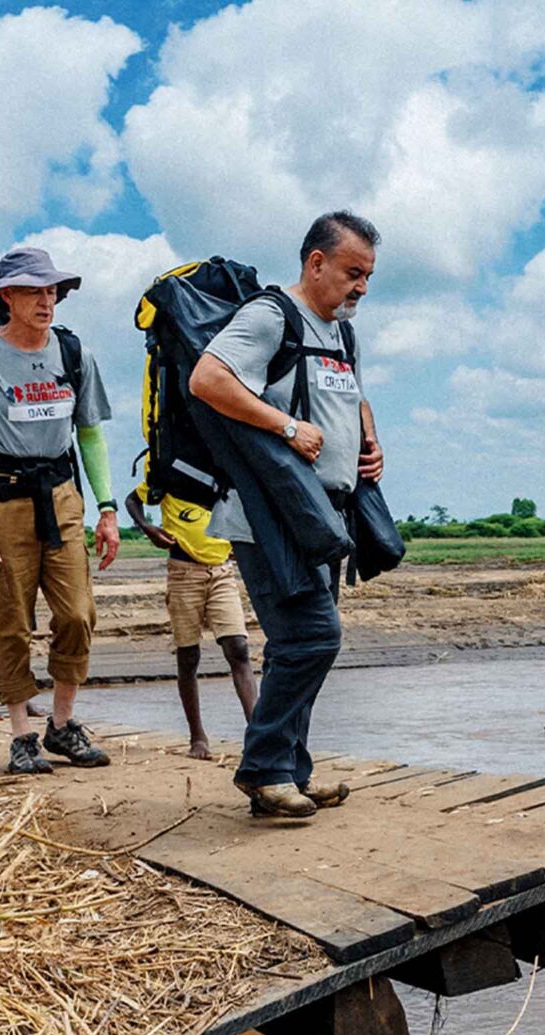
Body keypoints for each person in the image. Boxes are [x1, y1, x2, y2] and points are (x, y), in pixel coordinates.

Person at [189, 210, 385, 819]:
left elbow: (351, 396)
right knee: (313, 637)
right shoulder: (271, 316)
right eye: (353, 272)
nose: (361, 287)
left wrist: (368, 446)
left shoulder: (339, 333)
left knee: (295, 644)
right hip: (268, 515)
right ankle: (263, 768)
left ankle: (288, 773)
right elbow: (207, 378)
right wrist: (286, 425)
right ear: (316, 262)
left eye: (369, 277)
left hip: (322, 517)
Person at [0, 246, 121, 775]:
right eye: (34, 291)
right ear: (7, 297)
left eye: (52, 290)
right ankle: (21, 734)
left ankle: (62, 726)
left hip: (61, 497)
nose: (47, 300)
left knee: (78, 614)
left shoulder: (73, 352)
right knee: (10, 621)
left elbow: (89, 434)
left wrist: (107, 509)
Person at [126, 478, 258, 760]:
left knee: (239, 648)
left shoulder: (221, 471)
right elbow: (132, 500)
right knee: (188, 656)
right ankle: (197, 736)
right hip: (183, 572)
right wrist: (148, 528)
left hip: (222, 570)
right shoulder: (171, 470)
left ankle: (259, 734)